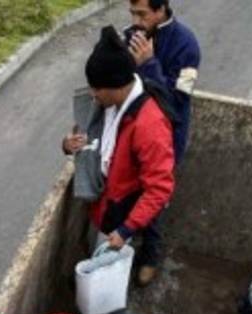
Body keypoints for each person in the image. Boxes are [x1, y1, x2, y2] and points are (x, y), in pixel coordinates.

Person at [63, 26, 175, 288]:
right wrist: (68, 145)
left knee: (104, 271)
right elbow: (83, 137)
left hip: (120, 213)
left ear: (115, 86)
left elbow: (160, 187)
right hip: (102, 203)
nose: (92, 94)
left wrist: (125, 231)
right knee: (97, 255)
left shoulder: (150, 125)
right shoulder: (107, 105)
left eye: (96, 89)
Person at [125, 0, 200, 287]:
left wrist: (149, 64)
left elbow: (177, 104)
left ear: (161, 10)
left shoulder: (187, 46)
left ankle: (150, 255)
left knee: (154, 195)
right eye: (132, 13)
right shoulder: (130, 35)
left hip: (165, 139)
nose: (136, 20)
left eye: (142, 14)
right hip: (131, 132)